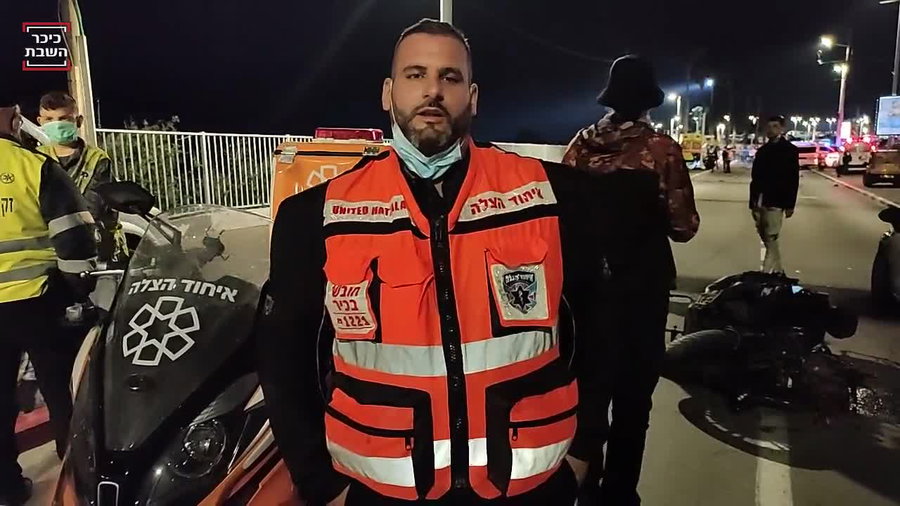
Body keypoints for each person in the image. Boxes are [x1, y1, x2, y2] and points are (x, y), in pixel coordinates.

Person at [256, 19, 622, 506]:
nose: (433, 90)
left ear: (473, 96)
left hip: (529, 485)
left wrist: (584, 449)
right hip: (378, 490)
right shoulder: (316, 216)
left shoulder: (553, 196)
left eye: (450, 77)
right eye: (415, 75)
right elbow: (283, 361)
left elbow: (602, 329)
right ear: (388, 93)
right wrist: (319, 482)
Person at [562, 54, 700, 506]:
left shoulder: (580, 145)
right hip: (641, 292)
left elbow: (561, 215)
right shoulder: (660, 151)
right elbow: (684, 226)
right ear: (648, 102)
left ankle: (584, 489)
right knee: (633, 403)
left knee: (588, 397)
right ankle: (620, 496)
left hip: (585, 293)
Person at [0, 105, 98, 505]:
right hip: (38, 299)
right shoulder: (34, 166)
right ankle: (76, 483)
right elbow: (75, 237)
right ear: (13, 118)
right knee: (64, 393)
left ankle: (6, 488)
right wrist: (78, 292)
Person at [36, 91, 126, 266]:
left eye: (64, 119)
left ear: (78, 121)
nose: (57, 125)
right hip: (52, 253)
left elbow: (92, 208)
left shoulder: (97, 159)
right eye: (49, 119)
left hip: (94, 250)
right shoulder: (36, 158)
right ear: (40, 122)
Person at [750, 115, 799, 274]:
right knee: (765, 236)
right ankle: (778, 271)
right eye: (769, 126)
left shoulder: (790, 151)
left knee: (771, 236)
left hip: (777, 201)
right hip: (760, 201)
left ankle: (766, 272)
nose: (771, 130)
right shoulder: (762, 151)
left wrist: (790, 205)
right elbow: (755, 178)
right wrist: (752, 202)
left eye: (775, 126)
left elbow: (793, 179)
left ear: (782, 129)